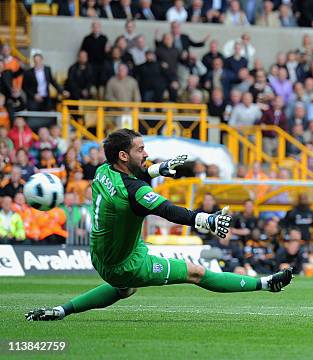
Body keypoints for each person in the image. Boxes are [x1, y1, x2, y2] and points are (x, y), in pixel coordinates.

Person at [25, 129, 292, 321]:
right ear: (123, 155)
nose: (146, 153)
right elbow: (167, 210)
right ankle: (265, 284)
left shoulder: (102, 171)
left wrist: (156, 170)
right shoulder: (135, 192)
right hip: (126, 264)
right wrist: (205, 219)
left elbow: (132, 176)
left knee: (125, 290)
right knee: (195, 273)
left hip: (100, 253)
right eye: (140, 149)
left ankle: (62, 311)